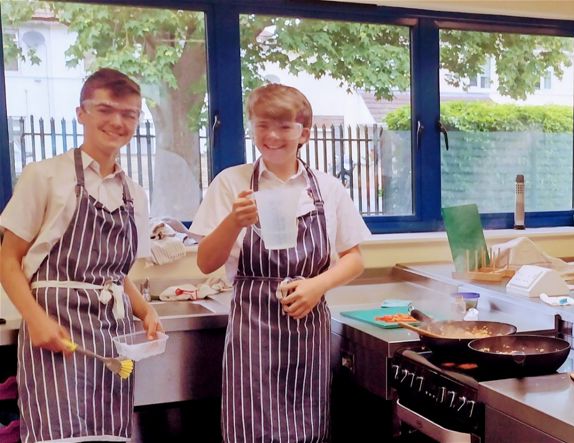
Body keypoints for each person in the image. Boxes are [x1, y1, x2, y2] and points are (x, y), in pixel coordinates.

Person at [191, 83, 370, 442]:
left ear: (304, 132)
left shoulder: (328, 187)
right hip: (252, 336)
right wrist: (233, 222)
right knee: (251, 431)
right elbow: (205, 263)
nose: (272, 136)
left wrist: (317, 286)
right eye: (262, 125)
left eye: (285, 127)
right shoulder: (231, 183)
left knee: (307, 429)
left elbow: (355, 259)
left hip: (309, 334)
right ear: (251, 127)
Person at [0, 68, 161, 442]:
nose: (117, 121)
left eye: (129, 114)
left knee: (109, 433)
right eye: (105, 109)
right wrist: (36, 320)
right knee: (59, 435)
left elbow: (115, 274)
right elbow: (8, 260)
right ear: (81, 113)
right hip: (56, 328)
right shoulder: (44, 176)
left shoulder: (134, 192)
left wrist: (144, 309)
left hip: (113, 337)